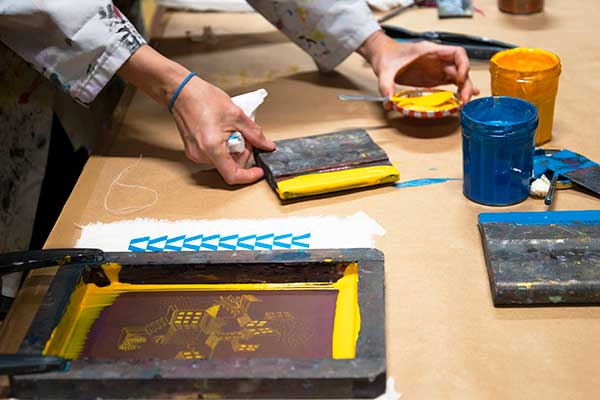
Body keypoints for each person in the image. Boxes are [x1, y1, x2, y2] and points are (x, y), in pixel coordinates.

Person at [0, 0, 478, 303]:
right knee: (31, 287)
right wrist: (173, 86)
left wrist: (376, 45)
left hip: (112, 50)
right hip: (18, 72)